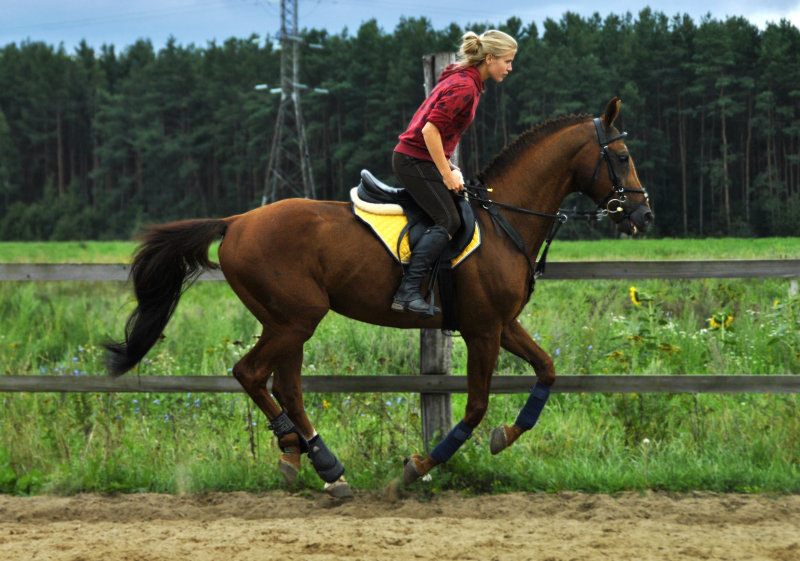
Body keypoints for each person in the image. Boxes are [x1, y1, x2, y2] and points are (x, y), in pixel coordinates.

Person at [391, 29, 517, 315]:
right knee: (448, 219)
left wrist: (449, 164)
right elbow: (430, 130)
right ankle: (408, 291)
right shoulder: (465, 87)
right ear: (489, 58)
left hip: (419, 157)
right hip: (413, 160)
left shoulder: (464, 79)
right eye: (507, 61)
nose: (510, 68)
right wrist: (446, 174)